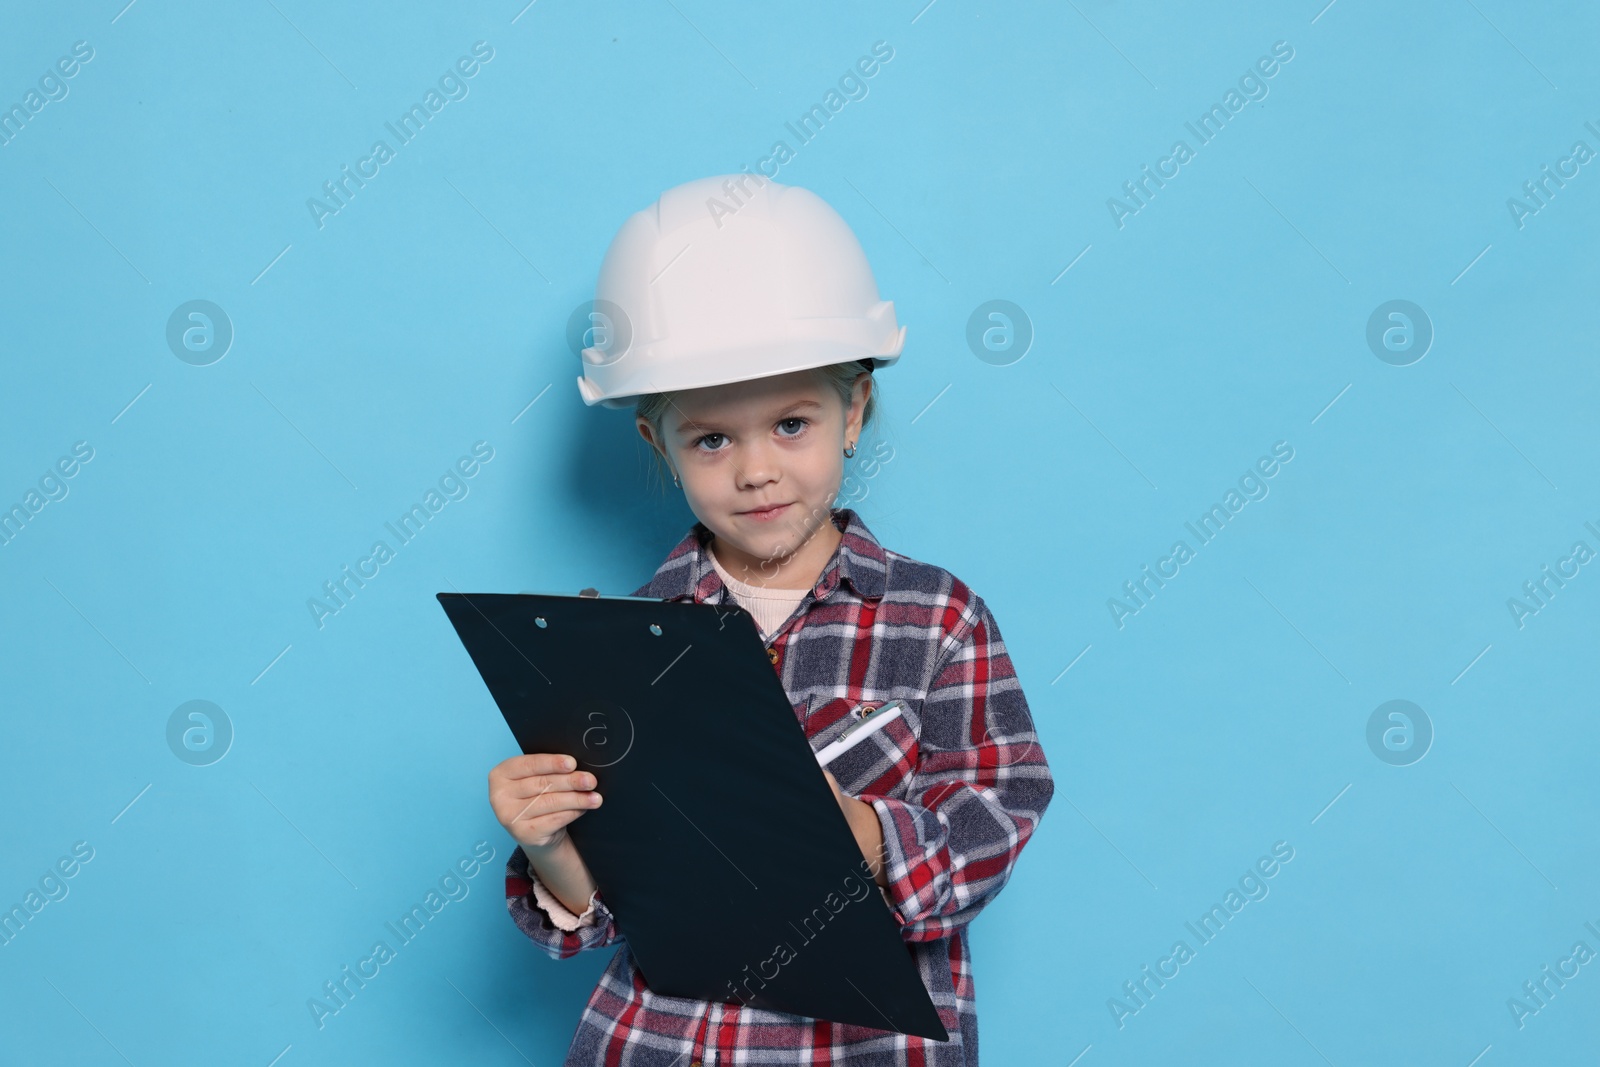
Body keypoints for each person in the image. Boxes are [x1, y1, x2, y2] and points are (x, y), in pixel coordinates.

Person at [486, 174, 1054, 1066]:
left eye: (792, 423)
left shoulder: (936, 617)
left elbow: (1001, 804)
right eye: (712, 439)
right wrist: (554, 843)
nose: (756, 470)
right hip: (662, 1041)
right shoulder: (622, 643)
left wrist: (861, 832)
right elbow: (598, 916)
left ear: (854, 411)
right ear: (658, 444)